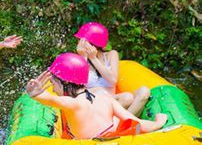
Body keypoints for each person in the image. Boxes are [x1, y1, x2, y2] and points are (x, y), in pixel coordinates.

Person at [25, 52, 167, 140]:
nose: (53, 89)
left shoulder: (73, 104)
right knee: (119, 125)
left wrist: (36, 94)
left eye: (53, 82)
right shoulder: (104, 98)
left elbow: (51, 100)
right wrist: (158, 123)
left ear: (66, 82)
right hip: (114, 140)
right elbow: (136, 122)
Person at [75, 22, 150, 116]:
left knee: (143, 91)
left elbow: (112, 80)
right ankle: (123, 123)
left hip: (113, 100)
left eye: (83, 41)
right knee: (127, 98)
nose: (79, 43)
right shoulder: (78, 60)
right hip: (92, 103)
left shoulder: (111, 55)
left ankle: (123, 125)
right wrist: (84, 59)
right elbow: (77, 89)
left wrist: (93, 58)